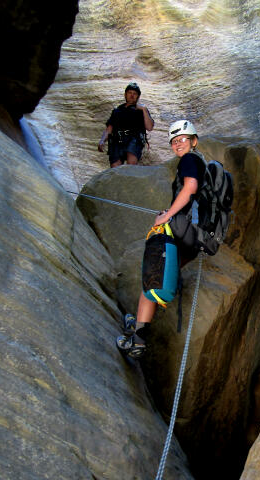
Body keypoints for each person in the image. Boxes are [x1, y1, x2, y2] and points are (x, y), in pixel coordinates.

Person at [116, 120, 206, 359]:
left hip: (183, 230)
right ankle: (140, 328)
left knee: (152, 278)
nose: (178, 144)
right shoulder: (202, 162)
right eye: (174, 141)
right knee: (164, 277)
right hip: (195, 238)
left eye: (182, 139)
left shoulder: (190, 160)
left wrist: (167, 215)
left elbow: (190, 188)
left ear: (193, 141)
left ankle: (137, 339)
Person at [98, 82, 154, 167]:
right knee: (115, 169)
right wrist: (102, 140)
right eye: (130, 93)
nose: (132, 95)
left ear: (138, 97)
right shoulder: (117, 111)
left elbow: (149, 127)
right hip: (117, 140)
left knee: (130, 165)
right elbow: (109, 128)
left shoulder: (141, 111)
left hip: (134, 139)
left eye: (135, 94)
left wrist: (144, 109)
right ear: (125, 94)